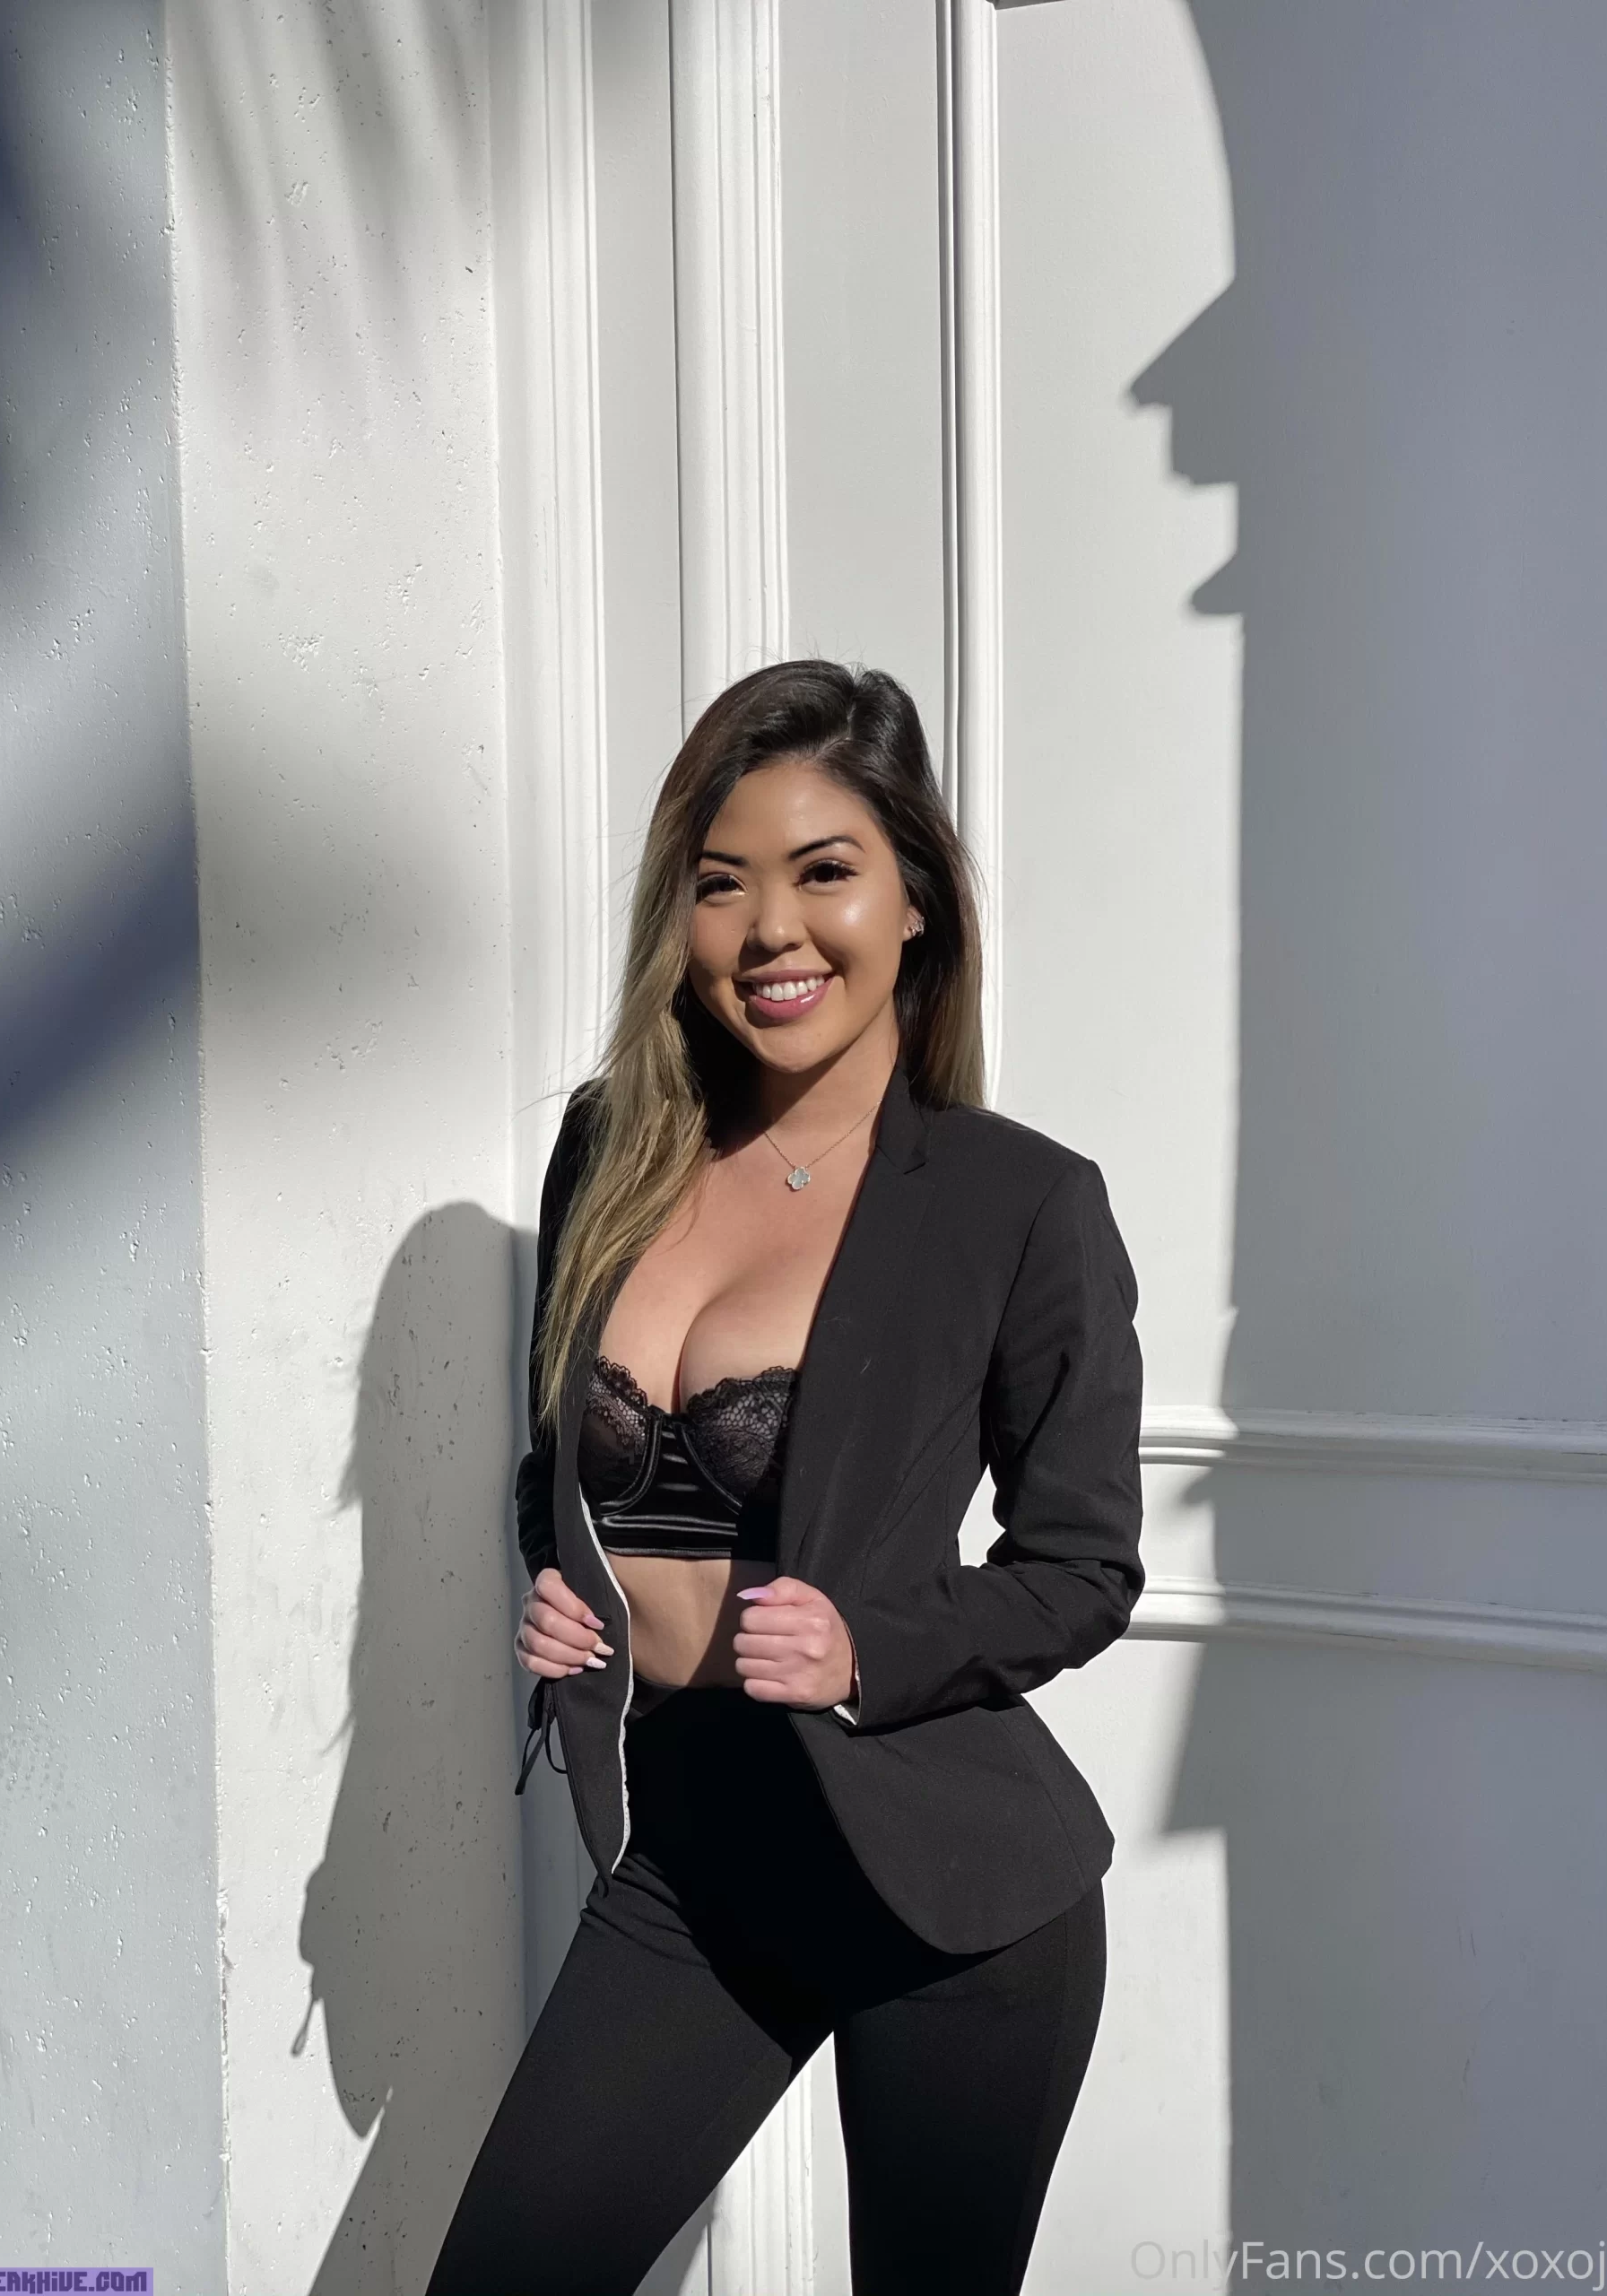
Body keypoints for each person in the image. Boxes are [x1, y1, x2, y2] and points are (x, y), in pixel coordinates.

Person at [425, 659, 1145, 2296]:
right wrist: (559, 1581)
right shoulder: (618, 1144)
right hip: (697, 1864)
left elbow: (1084, 1566)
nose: (771, 932)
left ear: (916, 902)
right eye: (721, 883)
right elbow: (559, 1461)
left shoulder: (1016, 1203)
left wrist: (869, 1646)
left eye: (825, 873)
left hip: (956, 1902)